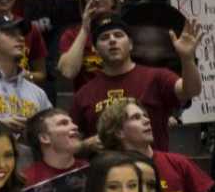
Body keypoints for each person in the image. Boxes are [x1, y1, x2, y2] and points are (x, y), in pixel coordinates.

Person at [72, 15, 203, 151]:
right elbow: (71, 143)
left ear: (130, 44)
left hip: (152, 167)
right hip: (106, 168)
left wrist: (187, 59)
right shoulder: (84, 94)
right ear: (95, 50)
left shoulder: (157, 77)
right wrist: (84, 145)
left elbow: (191, 91)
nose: (112, 40)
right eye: (104, 37)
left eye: (118, 35)